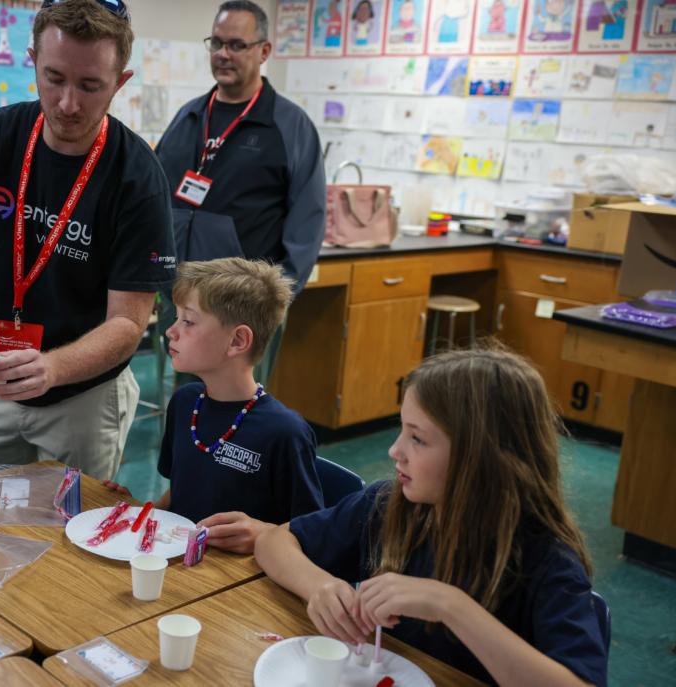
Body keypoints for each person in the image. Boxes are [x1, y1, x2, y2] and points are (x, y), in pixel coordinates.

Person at [0, 0, 175, 480]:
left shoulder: (137, 176)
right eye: (54, 78)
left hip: (83, 395)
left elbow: (127, 326)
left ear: (121, 82)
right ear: (32, 61)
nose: (68, 103)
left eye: (90, 86)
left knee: (75, 534)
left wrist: (52, 368)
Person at [255, 347, 608, 686]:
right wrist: (319, 586)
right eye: (402, 430)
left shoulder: (547, 561)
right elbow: (274, 542)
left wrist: (450, 605)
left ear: (482, 458)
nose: (395, 450)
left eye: (418, 439)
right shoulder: (389, 505)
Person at [155, 0, 325, 386]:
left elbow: (308, 219)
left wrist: (278, 298)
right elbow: (157, 198)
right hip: (182, 298)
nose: (223, 55)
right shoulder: (189, 116)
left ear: (264, 51)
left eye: (236, 45)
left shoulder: (289, 126)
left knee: (239, 414)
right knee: (188, 406)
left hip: (246, 307)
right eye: (216, 43)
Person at [104, 258, 323, 554]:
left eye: (188, 321)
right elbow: (179, 495)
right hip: (181, 561)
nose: (171, 331)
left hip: (239, 580)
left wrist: (263, 533)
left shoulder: (285, 432)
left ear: (237, 341)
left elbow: (314, 532)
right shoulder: (185, 403)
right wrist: (140, 512)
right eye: (176, 317)